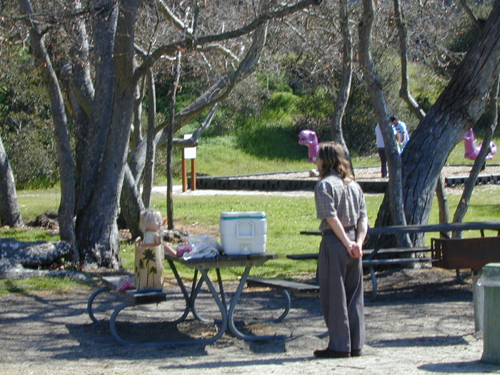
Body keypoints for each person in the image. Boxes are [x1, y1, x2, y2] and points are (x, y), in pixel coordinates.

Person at [313, 141, 369, 359]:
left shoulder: (324, 186)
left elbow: (331, 218)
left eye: (318, 158)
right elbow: (363, 218)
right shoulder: (354, 185)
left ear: (325, 160)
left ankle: (339, 345)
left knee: (334, 295)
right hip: (355, 242)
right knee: (354, 295)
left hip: (335, 243)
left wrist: (346, 243)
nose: (315, 161)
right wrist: (358, 244)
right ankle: (355, 344)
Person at [134, 209, 176, 291]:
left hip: (145, 261)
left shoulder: (146, 235)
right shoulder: (155, 236)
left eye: (160, 219)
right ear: (148, 224)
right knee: (154, 273)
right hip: (154, 260)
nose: (160, 222)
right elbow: (163, 246)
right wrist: (174, 253)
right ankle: (155, 286)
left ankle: (144, 284)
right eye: (157, 220)